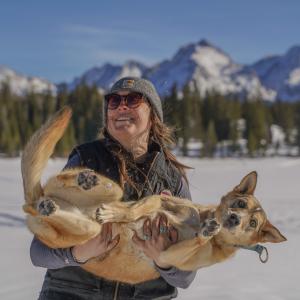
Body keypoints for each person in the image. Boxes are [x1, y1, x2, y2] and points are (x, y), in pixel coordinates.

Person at [30, 77, 197, 299]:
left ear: (154, 115)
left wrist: (163, 258)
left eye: (133, 99)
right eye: (114, 101)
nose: (122, 106)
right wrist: (78, 253)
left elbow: (186, 277)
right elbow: (38, 252)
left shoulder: (173, 181)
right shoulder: (85, 162)